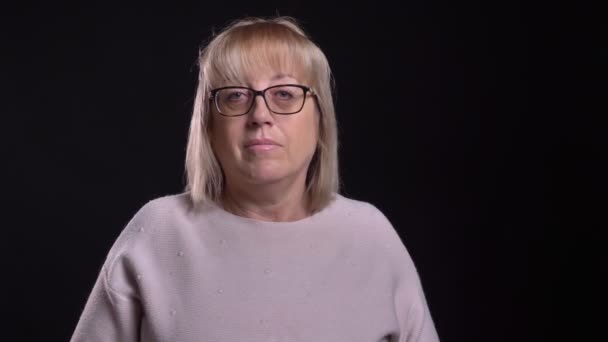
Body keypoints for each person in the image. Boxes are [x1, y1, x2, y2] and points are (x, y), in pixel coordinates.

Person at [71, 16, 440, 342]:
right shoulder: (157, 231)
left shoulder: (371, 236)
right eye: (235, 96)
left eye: (284, 94)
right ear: (209, 126)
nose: (260, 114)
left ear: (321, 119)